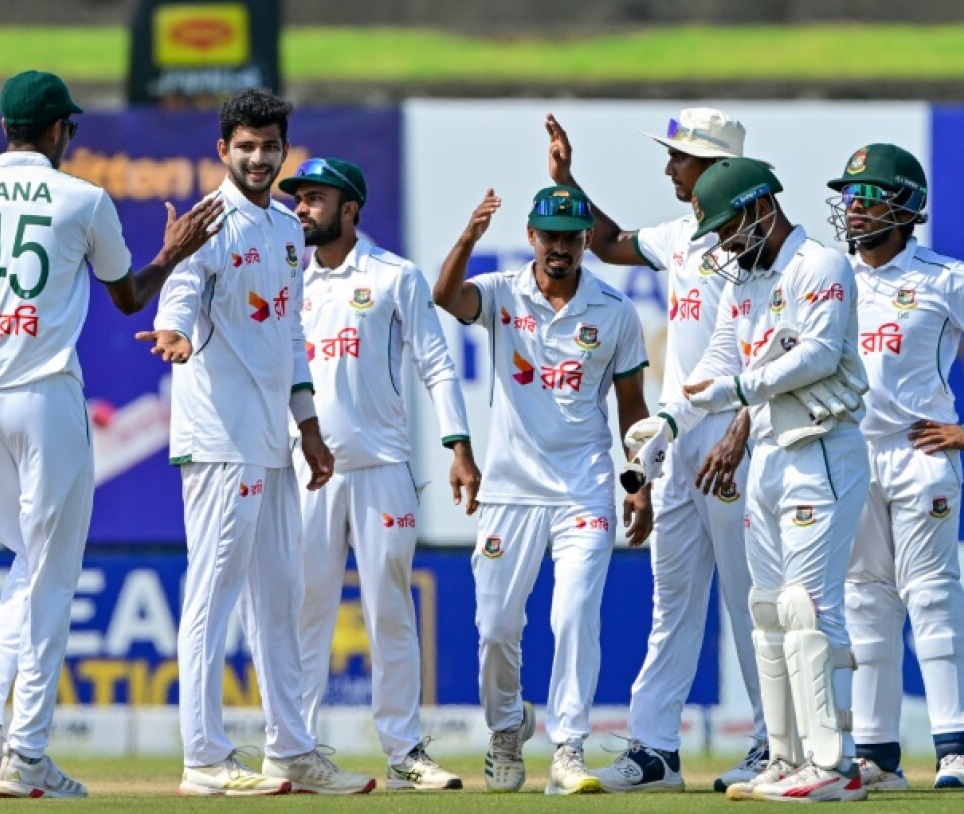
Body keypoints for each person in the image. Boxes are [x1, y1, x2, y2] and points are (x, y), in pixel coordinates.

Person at [0, 70, 222, 798]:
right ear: (54, 131)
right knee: (53, 577)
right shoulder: (82, 198)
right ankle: (27, 753)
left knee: (31, 562)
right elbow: (129, 296)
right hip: (46, 398)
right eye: (67, 128)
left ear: (3, 129)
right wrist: (172, 253)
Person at [139, 90, 376, 797]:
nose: (258, 157)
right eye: (245, 146)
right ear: (223, 150)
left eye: (269, 145)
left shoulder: (285, 228)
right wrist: (173, 331)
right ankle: (203, 758)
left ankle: (291, 750)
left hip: (271, 439)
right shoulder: (208, 222)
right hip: (220, 437)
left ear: (283, 150)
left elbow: (289, 336)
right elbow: (180, 292)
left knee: (281, 595)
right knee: (213, 592)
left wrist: (309, 427)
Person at [629, 157, 871, 802]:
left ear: (762, 207)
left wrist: (735, 390)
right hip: (766, 455)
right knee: (768, 611)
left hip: (819, 448)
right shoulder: (746, 281)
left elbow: (817, 354)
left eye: (729, 229)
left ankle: (836, 765)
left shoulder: (820, 264)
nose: (725, 246)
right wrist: (669, 422)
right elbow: (716, 359)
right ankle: (787, 759)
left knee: (809, 608)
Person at [546, 108, 768, 793]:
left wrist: (742, 427)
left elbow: (771, 351)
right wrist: (567, 180)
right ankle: (655, 751)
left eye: (681, 157)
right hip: (676, 440)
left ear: (718, 167)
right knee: (671, 605)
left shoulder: (760, 243)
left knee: (750, 602)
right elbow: (609, 242)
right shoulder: (680, 235)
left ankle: (776, 744)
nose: (669, 166)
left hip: (736, 438)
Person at [826, 144, 964, 791]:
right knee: (865, 603)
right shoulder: (833, 277)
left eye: (869, 196)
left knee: (933, 597)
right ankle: (876, 756)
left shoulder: (945, 277)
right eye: (850, 197)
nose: (854, 209)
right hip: (852, 456)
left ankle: (956, 751)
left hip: (920, 452)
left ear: (906, 206)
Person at [433, 184, 653, 795]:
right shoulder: (503, 293)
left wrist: (638, 483)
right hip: (511, 491)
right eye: (550, 236)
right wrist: (468, 238)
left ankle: (569, 747)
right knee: (497, 626)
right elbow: (446, 297)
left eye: (572, 238)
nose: (560, 248)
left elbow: (632, 409)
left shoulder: (614, 310)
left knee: (575, 613)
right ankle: (507, 730)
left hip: (584, 488)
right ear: (531, 237)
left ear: (586, 242)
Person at [278, 157, 480, 790]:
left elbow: (436, 364)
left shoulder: (394, 275)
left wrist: (459, 447)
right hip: (307, 471)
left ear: (350, 208)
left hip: (383, 469)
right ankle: (296, 751)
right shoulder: (289, 278)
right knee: (305, 611)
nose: (301, 208)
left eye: (315, 198)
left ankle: (403, 753)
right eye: (299, 198)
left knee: (389, 610)